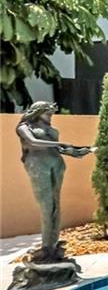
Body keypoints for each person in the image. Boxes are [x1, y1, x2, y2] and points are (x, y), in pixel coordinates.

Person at [16, 102, 93, 261]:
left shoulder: (49, 129)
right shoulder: (24, 127)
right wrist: (60, 143)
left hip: (56, 165)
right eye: (48, 113)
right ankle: (45, 247)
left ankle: (53, 244)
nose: (50, 116)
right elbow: (34, 142)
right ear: (39, 112)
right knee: (46, 205)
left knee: (56, 205)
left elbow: (58, 149)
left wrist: (76, 152)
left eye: (51, 113)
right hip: (38, 165)